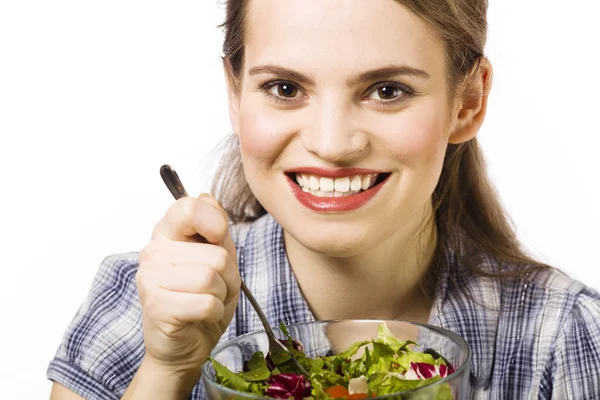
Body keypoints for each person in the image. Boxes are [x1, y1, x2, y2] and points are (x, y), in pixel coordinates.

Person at [48, 0, 600, 399]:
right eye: (285, 89)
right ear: (235, 95)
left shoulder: (560, 336)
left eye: (388, 91)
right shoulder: (141, 305)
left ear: (468, 102)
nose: (332, 144)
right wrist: (168, 371)